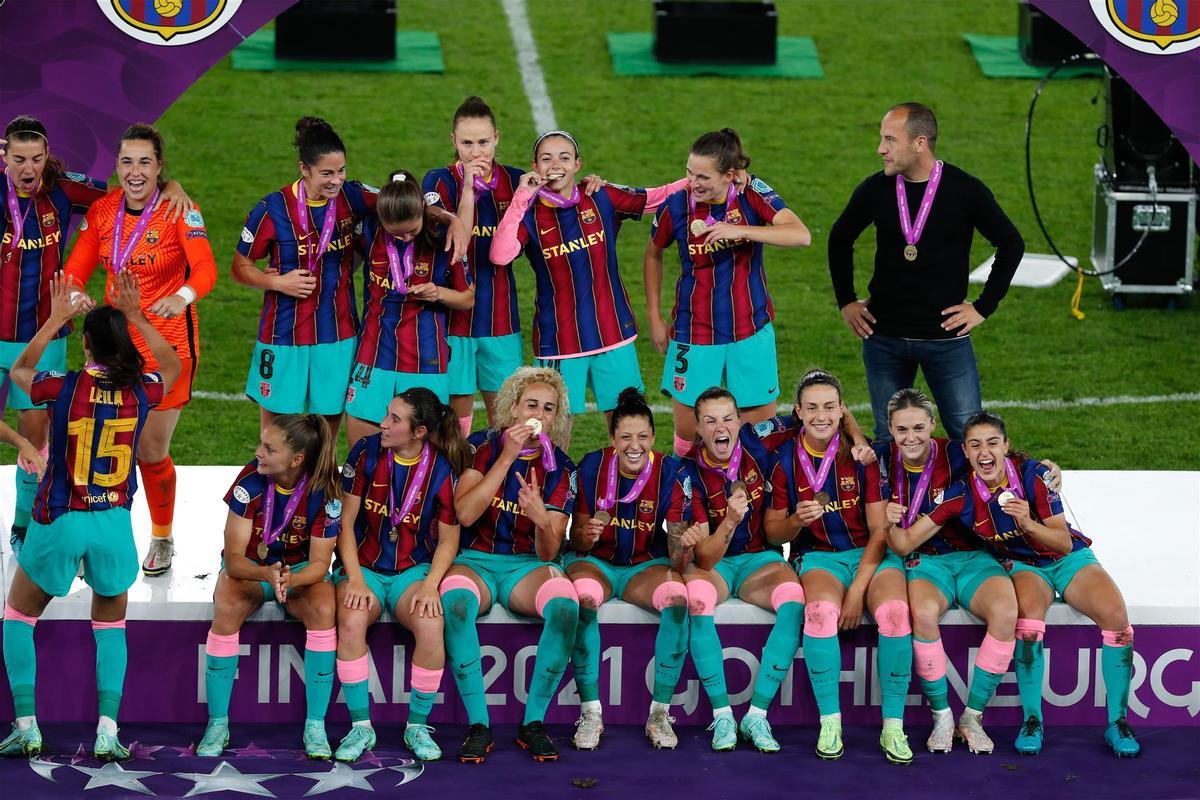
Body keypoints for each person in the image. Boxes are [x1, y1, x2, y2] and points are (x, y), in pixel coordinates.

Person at [0, 272, 180, 760]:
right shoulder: (143, 389)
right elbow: (173, 367)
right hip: (114, 524)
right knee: (109, 626)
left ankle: (27, 726)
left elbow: (19, 375)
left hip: (59, 519)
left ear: (85, 345)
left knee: (17, 617)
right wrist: (140, 315)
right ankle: (107, 730)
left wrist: (54, 319)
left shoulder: (64, 386)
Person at [893, 411, 1140, 758]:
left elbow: (1062, 543)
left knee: (1116, 618)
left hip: (1067, 559)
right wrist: (890, 520)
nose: (985, 451)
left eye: (993, 442)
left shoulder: (1034, 475)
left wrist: (1027, 523)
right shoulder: (961, 494)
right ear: (964, 451)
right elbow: (905, 543)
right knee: (1028, 621)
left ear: (1006, 445)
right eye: (976, 445)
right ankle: (1032, 720)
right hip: (1024, 567)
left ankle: (1118, 723)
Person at [2, 116, 192, 555]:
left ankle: (23, 524)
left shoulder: (68, 188)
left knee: (35, 437)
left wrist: (172, 187)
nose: (28, 169)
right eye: (18, 160)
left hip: (42, 333)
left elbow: (132, 193)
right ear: (5, 157)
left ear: (47, 155)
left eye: (36, 158)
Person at [63, 123, 216, 577]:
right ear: (116, 165)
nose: (135, 171)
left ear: (159, 167)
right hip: (115, 347)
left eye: (145, 162)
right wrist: (74, 293)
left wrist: (183, 296)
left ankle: (163, 536)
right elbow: (77, 265)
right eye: (127, 161)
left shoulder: (179, 209)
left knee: (150, 450)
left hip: (168, 345)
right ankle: (98, 538)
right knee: (101, 443)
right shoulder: (105, 210)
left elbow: (205, 267)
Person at [827, 102, 1025, 442]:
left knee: (970, 435)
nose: (880, 149)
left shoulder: (964, 190)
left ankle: (969, 497)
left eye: (890, 140)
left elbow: (1011, 244)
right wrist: (846, 300)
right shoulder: (876, 189)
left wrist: (982, 307)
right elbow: (839, 237)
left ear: (920, 143)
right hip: (884, 338)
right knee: (890, 438)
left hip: (945, 339)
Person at [762, 370, 912, 764]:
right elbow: (774, 533)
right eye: (811, 407)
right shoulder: (784, 461)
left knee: (896, 614)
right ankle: (831, 721)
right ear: (798, 411)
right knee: (819, 613)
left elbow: (880, 531)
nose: (821, 415)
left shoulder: (863, 458)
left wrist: (858, 593)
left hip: (872, 555)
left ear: (842, 411)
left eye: (829, 407)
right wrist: (795, 521)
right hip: (819, 558)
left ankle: (893, 727)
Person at [490, 130, 688, 426]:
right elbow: (500, 255)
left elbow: (656, 196)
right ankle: (553, 474)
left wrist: (705, 176)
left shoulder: (601, 196)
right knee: (552, 428)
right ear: (534, 166)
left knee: (628, 424)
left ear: (578, 164)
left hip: (613, 335)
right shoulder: (529, 214)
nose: (555, 164)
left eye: (564, 157)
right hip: (559, 341)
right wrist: (521, 197)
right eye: (546, 158)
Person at [438, 366, 578, 763]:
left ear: (555, 417)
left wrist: (538, 516)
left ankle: (533, 723)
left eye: (548, 408)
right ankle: (479, 725)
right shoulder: (481, 445)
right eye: (531, 404)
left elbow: (550, 553)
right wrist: (507, 458)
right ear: (513, 408)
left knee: (566, 608)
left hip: (526, 565)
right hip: (475, 560)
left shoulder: (561, 467)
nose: (539, 413)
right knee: (458, 603)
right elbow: (465, 513)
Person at [644, 128, 811, 457]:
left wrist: (741, 231)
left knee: (757, 435)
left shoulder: (752, 195)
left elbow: (801, 235)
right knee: (689, 435)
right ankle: (687, 500)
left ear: (731, 175)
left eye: (703, 176)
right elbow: (653, 253)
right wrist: (653, 315)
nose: (693, 183)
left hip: (750, 329)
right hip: (693, 331)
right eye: (689, 173)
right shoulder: (677, 206)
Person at [876, 389, 1016, 755]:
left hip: (973, 557)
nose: (911, 438)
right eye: (902, 429)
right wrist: (889, 526)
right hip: (926, 561)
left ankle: (973, 716)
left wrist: (1047, 466)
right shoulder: (879, 458)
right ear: (889, 428)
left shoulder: (957, 451)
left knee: (1005, 612)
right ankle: (942, 715)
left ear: (933, 425)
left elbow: (1004, 459)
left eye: (919, 428)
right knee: (922, 613)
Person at [666, 387, 806, 754]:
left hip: (761, 560)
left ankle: (757, 714)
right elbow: (706, 560)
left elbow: (811, 414)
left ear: (739, 421)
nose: (720, 427)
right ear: (697, 427)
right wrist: (729, 521)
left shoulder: (757, 442)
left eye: (727, 418)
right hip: (715, 566)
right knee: (696, 600)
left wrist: (856, 436)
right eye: (710, 421)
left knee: (793, 602)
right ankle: (723, 713)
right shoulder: (687, 473)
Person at [332, 389, 469, 763]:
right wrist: (355, 578)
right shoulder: (365, 452)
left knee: (430, 622)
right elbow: (344, 523)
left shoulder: (442, 468)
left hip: (413, 571)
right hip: (364, 567)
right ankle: (361, 727)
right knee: (351, 617)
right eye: (386, 415)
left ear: (419, 432)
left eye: (394, 419)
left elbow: (449, 539)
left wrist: (429, 585)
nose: (383, 424)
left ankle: (417, 726)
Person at [198, 415, 342, 759]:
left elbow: (322, 564)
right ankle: (217, 723)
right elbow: (233, 559)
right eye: (262, 444)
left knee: (324, 608)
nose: (257, 452)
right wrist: (268, 575)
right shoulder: (250, 481)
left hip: (300, 572)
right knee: (227, 602)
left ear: (296, 460)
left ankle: (315, 725)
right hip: (253, 568)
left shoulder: (325, 490)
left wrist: (291, 578)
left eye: (268, 448)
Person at [232, 117, 377, 440]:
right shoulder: (272, 208)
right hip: (282, 334)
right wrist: (276, 283)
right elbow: (240, 266)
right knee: (275, 436)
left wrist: (445, 217)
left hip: (337, 334)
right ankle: (275, 491)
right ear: (304, 169)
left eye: (341, 171)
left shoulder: (352, 197)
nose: (336, 181)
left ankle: (319, 489)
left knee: (325, 436)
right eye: (327, 173)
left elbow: (402, 201)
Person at [566, 387, 687, 750]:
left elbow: (679, 556)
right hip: (595, 562)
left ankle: (660, 713)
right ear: (612, 438)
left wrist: (683, 542)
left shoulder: (671, 471)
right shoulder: (591, 465)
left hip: (644, 566)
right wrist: (585, 536)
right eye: (625, 437)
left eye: (642, 437)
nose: (634, 445)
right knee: (583, 598)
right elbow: (576, 543)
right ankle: (590, 712)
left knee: (678, 601)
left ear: (653, 437)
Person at [343, 171, 474, 447]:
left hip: (425, 356)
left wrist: (438, 292)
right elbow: (342, 187)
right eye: (395, 233)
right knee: (362, 454)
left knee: (426, 454)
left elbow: (467, 298)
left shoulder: (444, 238)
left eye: (411, 231)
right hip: (374, 351)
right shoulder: (369, 229)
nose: (403, 238)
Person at [423, 96, 526, 433]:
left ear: (497, 136)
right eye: (467, 143)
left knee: (508, 420)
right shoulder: (437, 183)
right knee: (454, 423)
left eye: (483, 141)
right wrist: (468, 187)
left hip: (500, 319)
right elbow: (458, 242)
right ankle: (454, 482)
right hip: (452, 322)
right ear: (453, 141)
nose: (476, 151)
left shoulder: (517, 183)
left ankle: (502, 484)